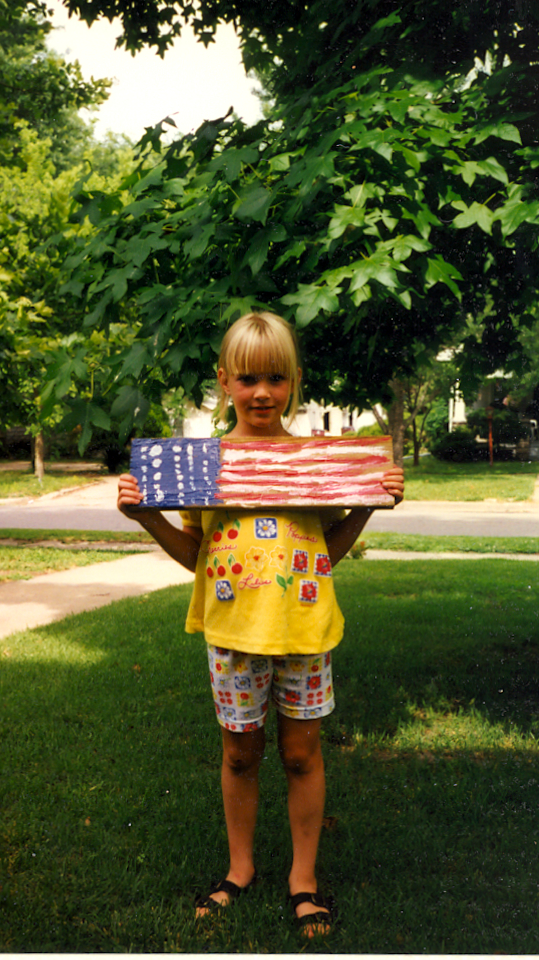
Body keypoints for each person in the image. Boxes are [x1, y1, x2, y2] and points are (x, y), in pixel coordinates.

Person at [117, 312, 404, 937]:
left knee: (302, 753)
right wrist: (148, 519)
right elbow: (197, 554)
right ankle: (239, 868)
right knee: (239, 754)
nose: (263, 392)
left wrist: (371, 503)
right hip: (234, 632)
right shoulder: (201, 464)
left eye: (276, 378)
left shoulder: (315, 463)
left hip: (303, 629)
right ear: (225, 382)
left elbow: (328, 546)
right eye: (248, 379)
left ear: (295, 381)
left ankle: (304, 879)